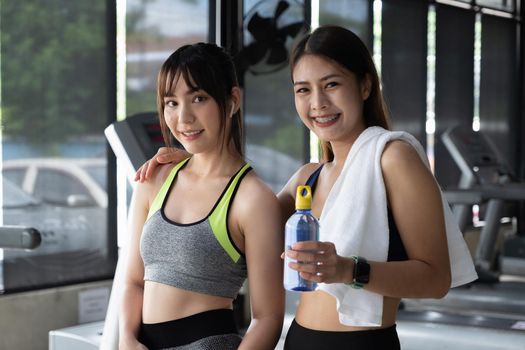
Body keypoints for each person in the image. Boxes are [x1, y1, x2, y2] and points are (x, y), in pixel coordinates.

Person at [135, 26, 477, 350]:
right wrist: (195, 158)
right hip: (298, 341)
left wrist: (349, 269)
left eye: (331, 85)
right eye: (303, 89)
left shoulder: (392, 157)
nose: (318, 103)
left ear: (365, 86)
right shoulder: (307, 178)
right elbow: (236, 214)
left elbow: (436, 279)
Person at [120, 42, 284, 350]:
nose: (184, 118)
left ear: (232, 100)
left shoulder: (253, 199)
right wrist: (127, 339)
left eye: (198, 98)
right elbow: (132, 281)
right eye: (171, 102)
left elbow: (268, 318)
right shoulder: (154, 178)